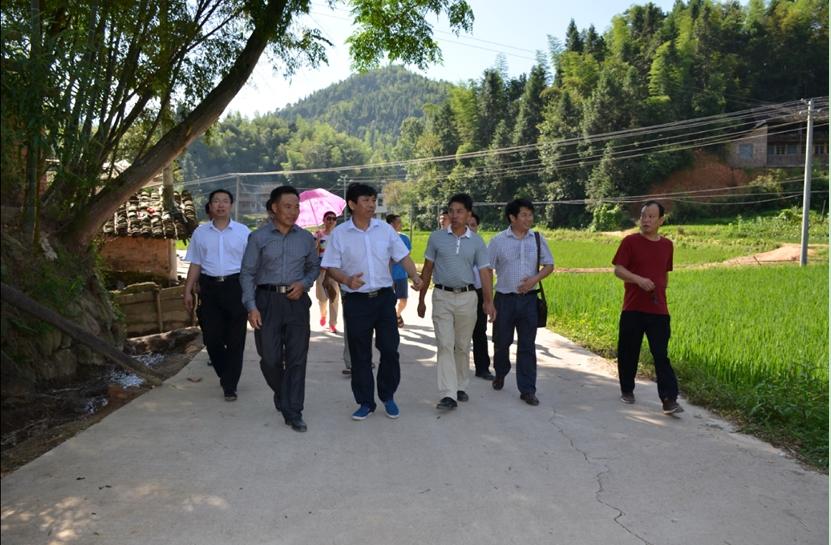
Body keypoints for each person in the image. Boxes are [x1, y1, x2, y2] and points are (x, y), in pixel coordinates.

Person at [321, 183, 423, 421]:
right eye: (365, 200)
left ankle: (388, 396)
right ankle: (365, 402)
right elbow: (331, 267)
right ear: (352, 204)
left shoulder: (385, 230)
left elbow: (403, 256)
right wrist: (346, 279)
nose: (371, 205)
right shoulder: (340, 234)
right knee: (360, 355)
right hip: (356, 301)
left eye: (373, 200)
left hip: (384, 299)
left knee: (389, 349)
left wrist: (415, 276)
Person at [240, 186, 319, 433]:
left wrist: (304, 284)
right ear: (274, 208)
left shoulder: (306, 239)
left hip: (297, 302)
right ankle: (283, 391)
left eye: (296, 207)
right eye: (287, 206)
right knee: (270, 358)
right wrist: (251, 306)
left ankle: (294, 411)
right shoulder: (258, 237)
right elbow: (247, 273)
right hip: (267, 301)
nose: (293, 211)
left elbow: (313, 267)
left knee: (297, 358)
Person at [418, 194, 495, 410]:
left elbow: (485, 273)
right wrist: (421, 299)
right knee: (444, 344)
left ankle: (460, 386)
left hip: (467, 298)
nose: (454, 215)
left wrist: (488, 302)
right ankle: (448, 393)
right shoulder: (436, 238)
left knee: (462, 345)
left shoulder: (477, 241)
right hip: (442, 296)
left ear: (469, 214)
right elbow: (427, 269)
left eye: (459, 211)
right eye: (451, 211)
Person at [612, 200, 683, 415]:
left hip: (659, 310)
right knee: (628, 351)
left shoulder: (667, 245)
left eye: (651, 216)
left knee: (661, 354)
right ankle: (627, 390)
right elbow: (618, 270)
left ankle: (669, 399)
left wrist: (660, 292)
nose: (646, 220)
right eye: (643, 216)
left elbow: (664, 274)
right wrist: (638, 280)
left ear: (661, 220)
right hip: (633, 307)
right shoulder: (630, 242)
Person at [183, 189, 250, 401]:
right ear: (210, 206)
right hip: (209, 289)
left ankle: (230, 385)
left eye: (225, 201)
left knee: (236, 339)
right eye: (216, 201)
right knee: (211, 337)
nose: (221, 205)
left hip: (236, 287)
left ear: (231, 205)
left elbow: (251, 265)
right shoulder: (200, 233)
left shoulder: (243, 232)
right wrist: (187, 290)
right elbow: (195, 263)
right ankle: (225, 374)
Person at [488, 198, 554, 406]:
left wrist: (534, 280)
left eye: (530, 215)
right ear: (512, 217)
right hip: (504, 300)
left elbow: (549, 265)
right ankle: (500, 372)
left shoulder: (537, 238)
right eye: (524, 215)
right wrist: (488, 301)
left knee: (527, 345)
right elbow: (487, 269)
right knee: (501, 342)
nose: (529, 219)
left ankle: (527, 389)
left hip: (529, 301)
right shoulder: (498, 241)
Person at [467, 212, 495, 380]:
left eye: (473, 225)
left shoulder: (482, 246)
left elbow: (488, 273)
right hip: (460, 293)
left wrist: (488, 299)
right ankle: (456, 369)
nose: (470, 229)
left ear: (477, 227)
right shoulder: (454, 245)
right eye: (467, 225)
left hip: (478, 292)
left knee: (480, 331)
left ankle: (483, 368)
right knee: (458, 334)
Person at [314, 211, 340, 333]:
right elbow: (313, 252)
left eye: (334, 219)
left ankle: (332, 324)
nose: (331, 221)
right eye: (328, 218)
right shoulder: (318, 235)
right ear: (324, 220)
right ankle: (323, 314)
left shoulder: (338, 235)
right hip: (322, 270)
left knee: (334, 298)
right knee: (322, 298)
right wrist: (317, 241)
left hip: (334, 271)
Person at [386, 214, 412, 327]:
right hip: (388, 276)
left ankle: (397, 314)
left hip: (402, 275)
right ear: (391, 224)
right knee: (389, 301)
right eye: (398, 222)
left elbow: (407, 255)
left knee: (403, 300)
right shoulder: (383, 238)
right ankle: (390, 318)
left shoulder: (404, 238)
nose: (401, 224)